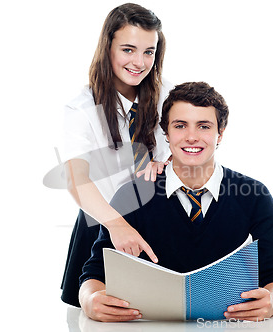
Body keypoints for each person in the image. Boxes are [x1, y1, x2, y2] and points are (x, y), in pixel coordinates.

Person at [78, 82, 273, 322]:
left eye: (204, 126)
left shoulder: (255, 196)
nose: (192, 137)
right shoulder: (132, 194)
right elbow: (95, 272)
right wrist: (90, 300)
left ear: (220, 134)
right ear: (167, 134)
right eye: (180, 126)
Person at [60, 3, 173, 307]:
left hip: (156, 227)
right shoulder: (82, 109)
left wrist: (170, 163)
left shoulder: (168, 98)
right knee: (98, 316)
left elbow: (193, 151)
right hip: (103, 227)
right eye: (128, 49)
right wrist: (117, 226)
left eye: (149, 51)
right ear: (107, 46)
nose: (139, 62)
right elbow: (75, 177)